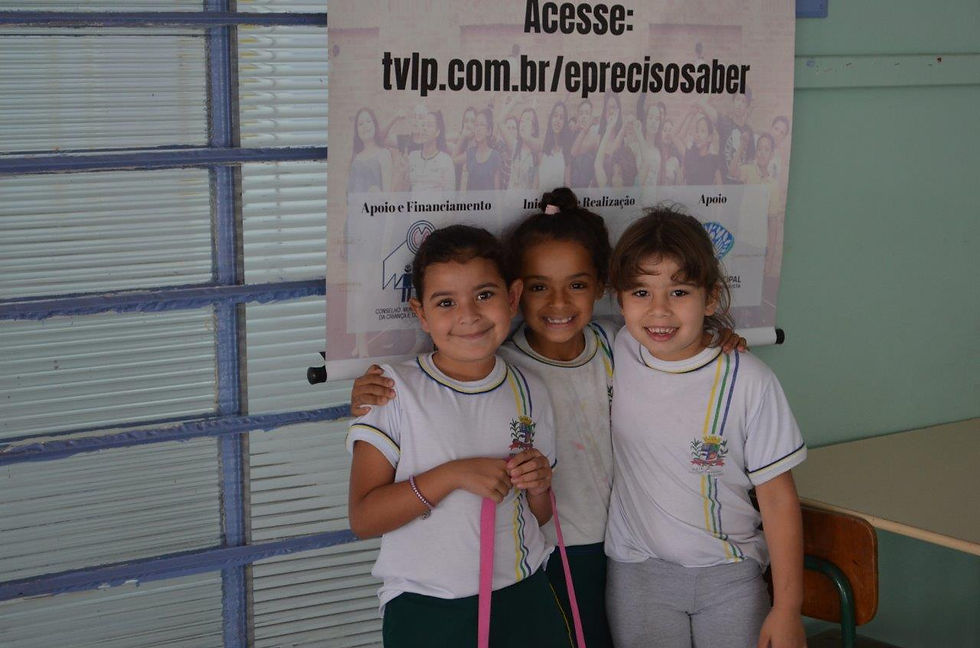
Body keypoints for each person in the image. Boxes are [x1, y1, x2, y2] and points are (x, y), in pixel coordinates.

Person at [350, 190, 747, 648]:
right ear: (519, 294)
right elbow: (440, 389)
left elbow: (677, 349)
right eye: (540, 287)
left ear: (601, 287)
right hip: (543, 552)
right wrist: (368, 393)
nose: (558, 303)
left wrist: (719, 339)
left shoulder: (619, 345)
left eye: (576, 285)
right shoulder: (502, 365)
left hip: (625, 543)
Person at [346, 225, 573, 648]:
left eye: (484, 295)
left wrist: (539, 485)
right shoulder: (392, 390)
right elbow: (364, 519)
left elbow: (539, 515)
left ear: (513, 297)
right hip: (428, 605)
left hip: (524, 593)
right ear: (420, 313)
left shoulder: (530, 389)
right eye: (446, 302)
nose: (468, 315)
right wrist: (452, 476)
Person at [604, 206, 807, 648]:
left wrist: (788, 608)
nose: (659, 310)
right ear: (619, 300)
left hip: (730, 576)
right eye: (640, 292)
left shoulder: (749, 380)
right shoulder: (616, 349)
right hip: (639, 574)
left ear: (710, 298)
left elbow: (777, 500)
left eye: (679, 292)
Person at [407, 109, 455, 192]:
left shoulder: (445, 160)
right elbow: (403, 192)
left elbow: (449, 196)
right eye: (423, 125)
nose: (424, 128)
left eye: (429, 125)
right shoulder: (412, 157)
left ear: (437, 132)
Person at [348, 107, 393, 194]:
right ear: (357, 131)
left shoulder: (384, 154)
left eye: (368, 121)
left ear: (374, 125)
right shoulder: (355, 158)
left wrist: (377, 193)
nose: (365, 126)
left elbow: (387, 195)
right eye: (360, 124)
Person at [461, 108, 502, 191]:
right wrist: (463, 135)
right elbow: (454, 158)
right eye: (476, 125)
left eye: (482, 125)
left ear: (489, 131)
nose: (478, 129)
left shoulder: (495, 156)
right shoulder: (470, 153)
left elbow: (497, 192)